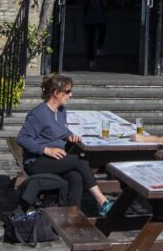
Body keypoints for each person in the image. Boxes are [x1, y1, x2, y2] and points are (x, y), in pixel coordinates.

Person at [16, 73, 113, 214]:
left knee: (76, 177)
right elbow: (22, 138)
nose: (71, 95)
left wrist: (69, 135)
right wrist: (46, 150)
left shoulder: (61, 110)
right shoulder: (38, 114)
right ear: (56, 93)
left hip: (55, 160)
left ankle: (72, 216)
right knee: (81, 162)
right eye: (68, 91)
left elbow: (60, 128)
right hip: (37, 161)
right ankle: (102, 201)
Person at [80, 0, 108, 70]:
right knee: (101, 33)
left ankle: (91, 61)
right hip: (100, 17)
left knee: (90, 41)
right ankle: (98, 48)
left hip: (89, 19)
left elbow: (80, 2)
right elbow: (105, 3)